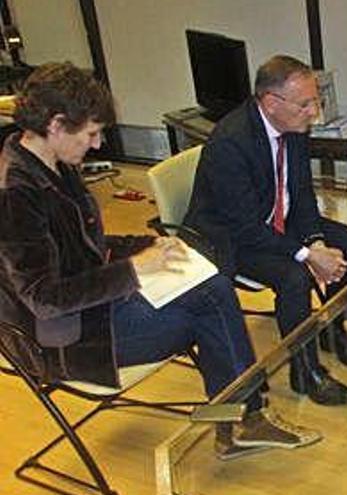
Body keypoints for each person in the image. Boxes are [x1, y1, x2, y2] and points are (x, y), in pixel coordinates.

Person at [0, 62, 319, 461]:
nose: (98, 145)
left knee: (213, 285)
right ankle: (243, 419)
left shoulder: (50, 162)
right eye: (92, 134)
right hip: (62, 336)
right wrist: (135, 269)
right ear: (58, 124)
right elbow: (45, 298)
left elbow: (81, 246)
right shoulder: (15, 192)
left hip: (92, 304)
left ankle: (241, 419)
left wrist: (149, 244)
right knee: (210, 311)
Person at [184, 55, 347, 406]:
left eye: (316, 100)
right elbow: (244, 227)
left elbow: (300, 193)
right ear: (271, 103)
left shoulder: (293, 125)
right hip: (230, 238)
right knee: (294, 276)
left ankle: (333, 328)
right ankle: (305, 369)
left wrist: (316, 241)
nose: (314, 111)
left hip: (275, 218)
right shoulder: (231, 142)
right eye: (306, 103)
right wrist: (307, 255)